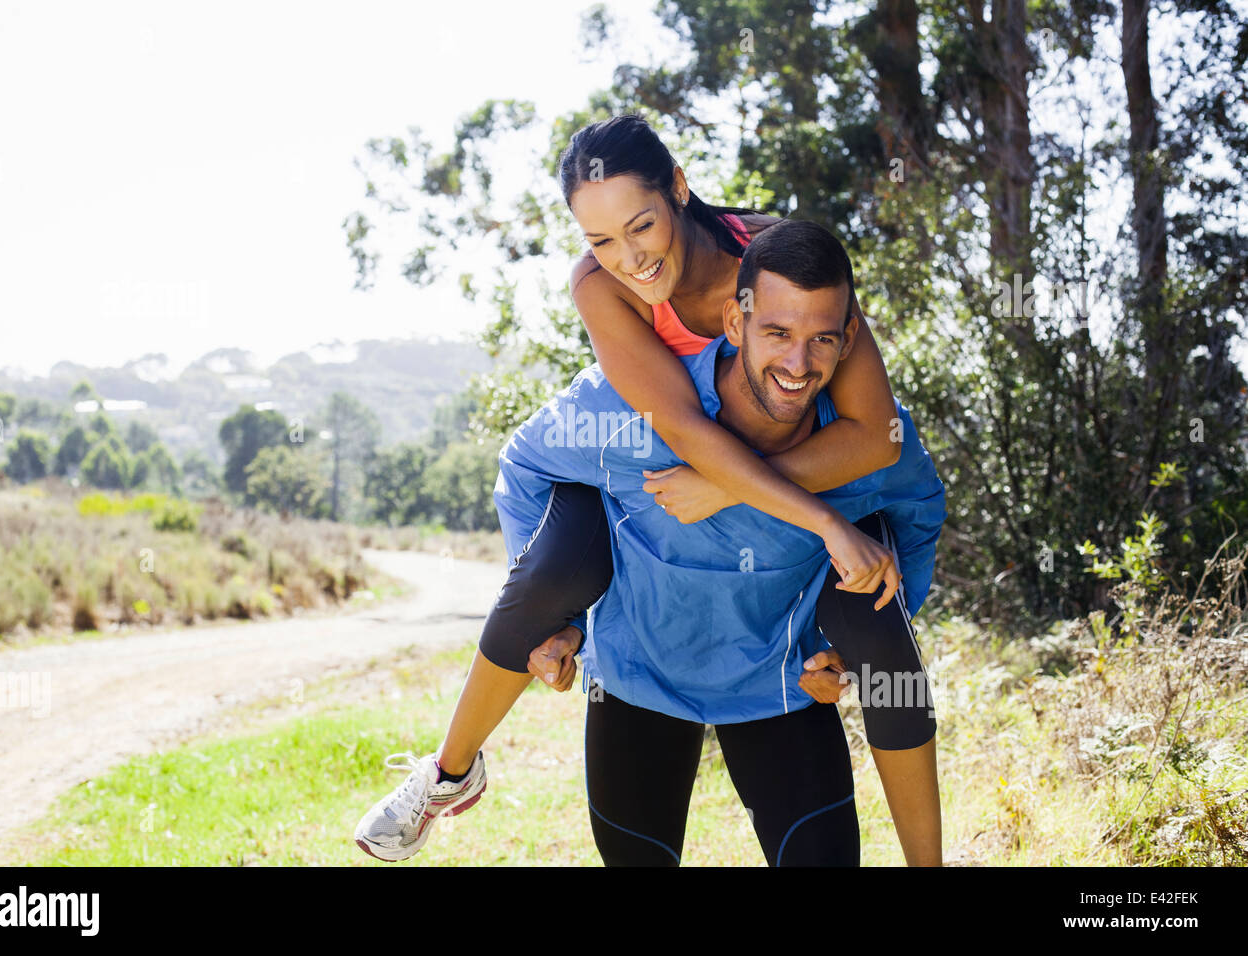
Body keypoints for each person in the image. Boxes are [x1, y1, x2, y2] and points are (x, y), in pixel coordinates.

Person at [354, 113, 935, 863]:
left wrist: (751, 500)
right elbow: (687, 431)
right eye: (600, 240)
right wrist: (561, 623)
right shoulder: (600, 285)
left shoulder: (778, 270)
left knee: (876, 616)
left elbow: (871, 430)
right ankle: (449, 772)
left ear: (680, 191)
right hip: (653, 446)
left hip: (765, 472)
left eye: (641, 227)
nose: (629, 258)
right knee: (554, 569)